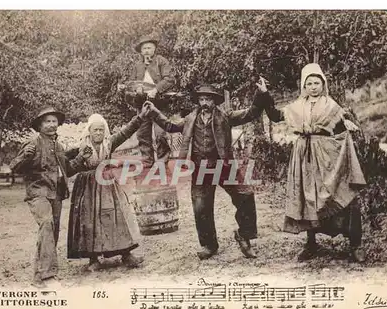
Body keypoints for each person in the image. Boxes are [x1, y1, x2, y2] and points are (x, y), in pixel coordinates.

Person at [145, 81, 273, 260]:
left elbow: (250, 113)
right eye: (202, 99)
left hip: (224, 165)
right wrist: (153, 111)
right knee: (201, 207)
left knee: (245, 195)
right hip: (200, 168)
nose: (204, 102)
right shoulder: (190, 118)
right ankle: (209, 245)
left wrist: (261, 94)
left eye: (208, 99)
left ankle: (244, 235)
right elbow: (170, 126)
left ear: (215, 101)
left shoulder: (225, 116)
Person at [259, 63, 367, 262]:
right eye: (309, 83)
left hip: (327, 157)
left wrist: (347, 124)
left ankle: (355, 244)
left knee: (343, 195)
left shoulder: (331, 105)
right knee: (308, 196)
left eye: (317, 82)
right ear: (304, 85)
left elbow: (340, 127)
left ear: (323, 83)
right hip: (304, 156)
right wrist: (265, 95)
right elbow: (275, 116)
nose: (313, 86)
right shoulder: (297, 106)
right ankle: (311, 244)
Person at [10, 106, 93, 288]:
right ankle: (48, 276)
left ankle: (39, 277)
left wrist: (80, 157)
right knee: (46, 224)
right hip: (38, 193)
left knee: (51, 232)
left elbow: (68, 170)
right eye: (47, 121)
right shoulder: (32, 144)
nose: (51, 125)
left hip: (56, 194)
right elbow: (14, 166)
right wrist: (25, 157)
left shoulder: (58, 146)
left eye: (54, 121)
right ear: (39, 125)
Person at [66, 106, 153, 271]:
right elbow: (69, 169)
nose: (98, 133)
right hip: (87, 188)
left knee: (115, 217)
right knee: (89, 221)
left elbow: (127, 131)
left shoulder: (109, 143)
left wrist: (141, 116)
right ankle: (93, 259)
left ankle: (126, 254)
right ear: (89, 131)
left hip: (107, 185)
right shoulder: (79, 147)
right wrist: (79, 159)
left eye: (101, 130)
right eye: (95, 130)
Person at [118, 35, 175, 168]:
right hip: (141, 104)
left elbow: (170, 79)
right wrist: (128, 88)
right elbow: (131, 83)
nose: (147, 50)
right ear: (141, 51)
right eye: (144, 48)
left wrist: (157, 89)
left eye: (149, 47)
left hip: (159, 103)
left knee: (160, 133)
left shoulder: (161, 61)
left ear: (154, 49)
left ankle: (162, 159)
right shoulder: (137, 66)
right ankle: (147, 160)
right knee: (143, 133)